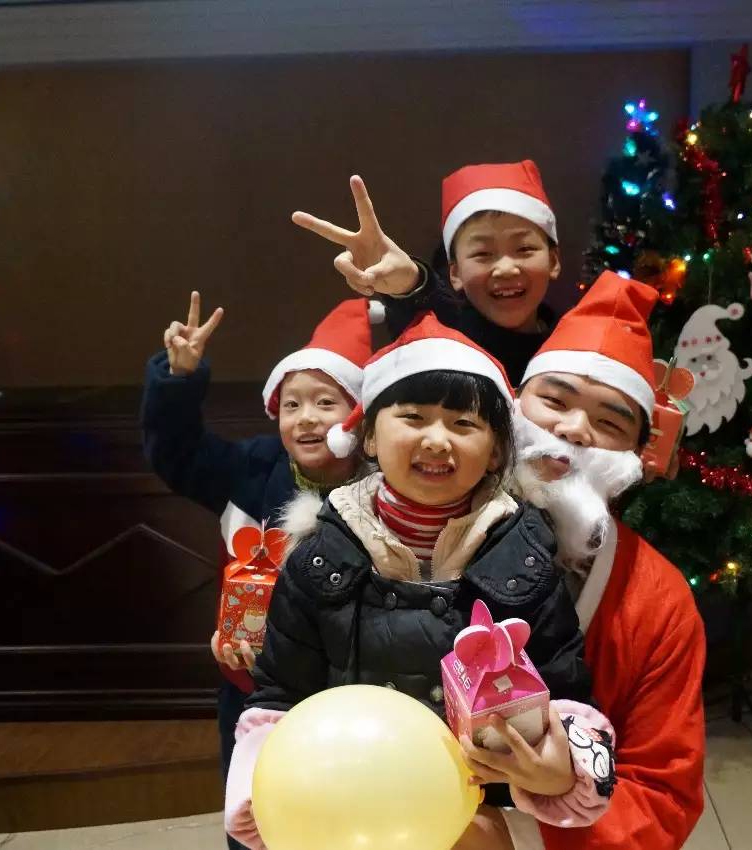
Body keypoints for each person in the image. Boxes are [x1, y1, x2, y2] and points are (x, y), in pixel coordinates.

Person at [222, 314, 617, 849]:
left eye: (464, 424)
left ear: (496, 452)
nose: (436, 440)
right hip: (344, 810)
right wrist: (262, 793)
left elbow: (565, 695)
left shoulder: (527, 561)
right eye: (412, 417)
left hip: (471, 813)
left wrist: (561, 768)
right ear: (368, 436)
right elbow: (279, 695)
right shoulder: (317, 558)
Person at [467, 271, 708, 850]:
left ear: (636, 456)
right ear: (513, 405)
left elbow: (662, 795)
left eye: (610, 421)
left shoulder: (658, 599)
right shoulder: (413, 529)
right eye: (554, 400)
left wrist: (554, 798)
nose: (574, 430)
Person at [141, 292, 374, 850]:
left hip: (353, 690)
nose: (306, 417)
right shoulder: (253, 467)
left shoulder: (384, 483)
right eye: (291, 404)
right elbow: (176, 453)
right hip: (253, 688)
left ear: (358, 416)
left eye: (325, 402)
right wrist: (178, 380)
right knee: (258, 816)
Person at [292, 160, 561, 384]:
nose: (506, 268)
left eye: (524, 249)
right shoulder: (450, 333)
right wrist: (408, 284)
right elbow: (428, 310)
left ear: (553, 261)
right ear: (455, 273)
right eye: (483, 254)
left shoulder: (569, 339)